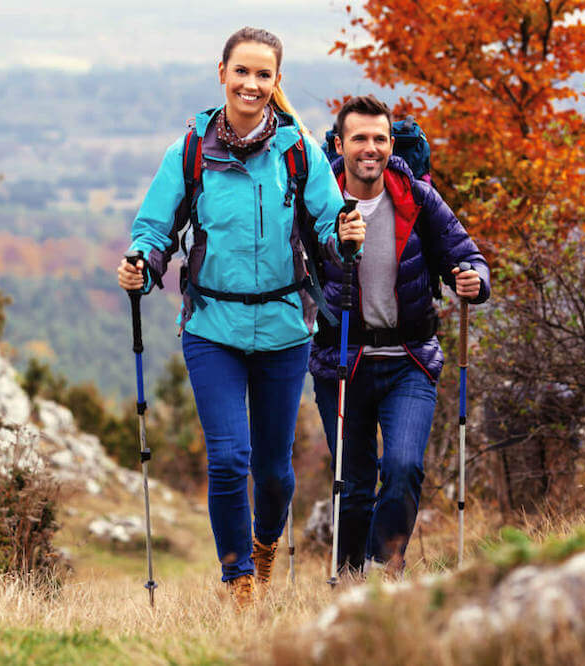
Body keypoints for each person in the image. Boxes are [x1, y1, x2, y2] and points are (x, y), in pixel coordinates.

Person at [117, 27, 358, 606]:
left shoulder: (297, 149)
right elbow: (156, 228)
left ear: (277, 83)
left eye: (263, 75)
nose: (251, 84)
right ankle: (238, 580)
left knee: (273, 472)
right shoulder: (192, 150)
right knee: (229, 458)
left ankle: (266, 543)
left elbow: (328, 225)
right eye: (242, 72)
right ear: (221, 73)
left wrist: (344, 237)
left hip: (283, 327)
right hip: (211, 328)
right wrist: (142, 267)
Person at [311, 95, 491, 575]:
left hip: (409, 359)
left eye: (379, 139)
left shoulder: (416, 195)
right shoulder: (318, 199)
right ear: (339, 144)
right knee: (351, 483)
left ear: (391, 144)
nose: (370, 149)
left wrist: (474, 279)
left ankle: (383, 569)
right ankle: (349, 581)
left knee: (404, 467)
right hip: (340, 362)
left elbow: (465, 254)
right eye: (359, 139)